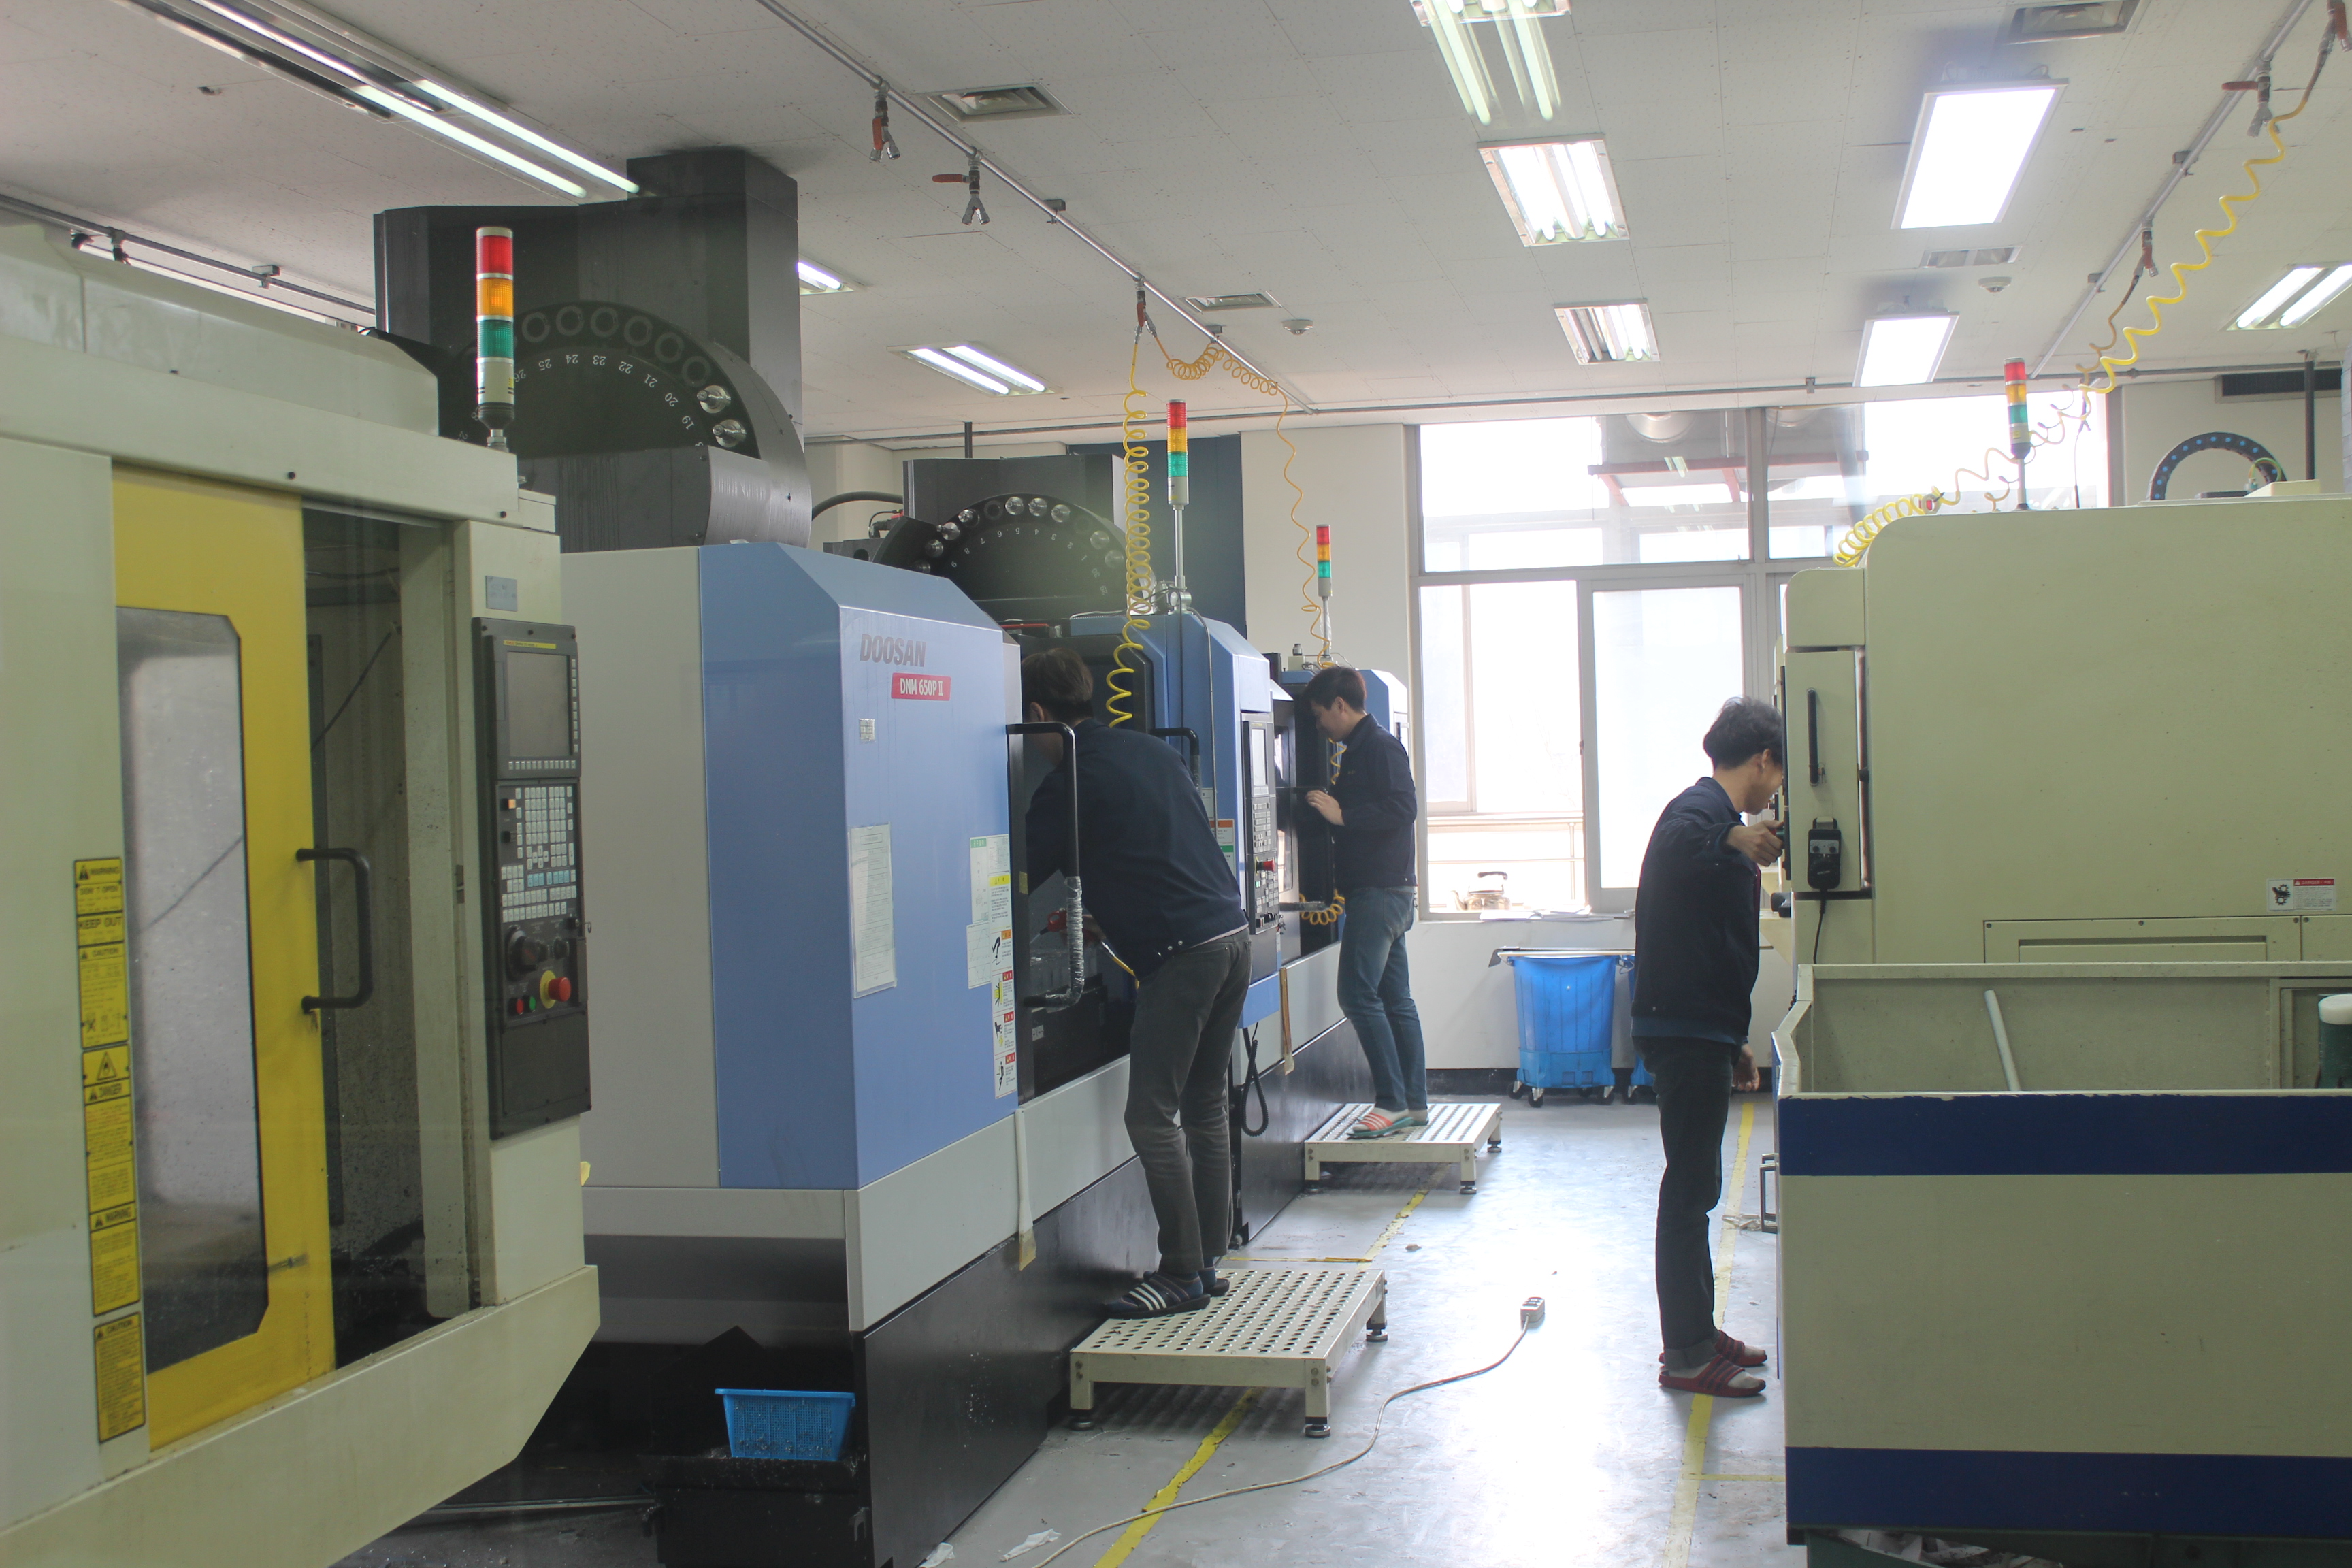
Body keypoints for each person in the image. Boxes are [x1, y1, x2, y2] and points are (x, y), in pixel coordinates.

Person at [1022, 646, 1250, 1319]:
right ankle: (1206, 1263)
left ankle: (1178, 1271)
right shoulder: (1152, 750)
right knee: (1205, 1105)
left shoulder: (1069, 778)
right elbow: (1157, 848)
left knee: (1149, 1116)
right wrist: (1116, 916)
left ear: (1036, 715)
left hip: (1183, 957)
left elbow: (1013, 873)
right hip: (1231, 937)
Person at [1633, 696, 1785, 1398]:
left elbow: (1713, 938)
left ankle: (1700, 1329)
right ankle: (1687, 1354)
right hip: (1682, 1028)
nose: (1774, 792)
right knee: (1689, 1190)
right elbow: (1678, 845)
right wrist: (1734, 839)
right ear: (1763, 760)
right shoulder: (1697, 813)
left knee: (1699, 1187)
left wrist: (1735, 1040)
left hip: (1704, 1028)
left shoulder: (1717, 820)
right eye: (1777, 775)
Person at [1300, 665, 1428, 1141]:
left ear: (1340, 705)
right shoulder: (1357, 751)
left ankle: (1391, 1102)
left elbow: (1404, 807)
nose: (1318, 726)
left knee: (1356, 995)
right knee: (1395, 1000)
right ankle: (1414, 1103)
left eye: (1319, 715)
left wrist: (1344, 815)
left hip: (1379, 892)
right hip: (1382, 892)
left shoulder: (1379, 747)